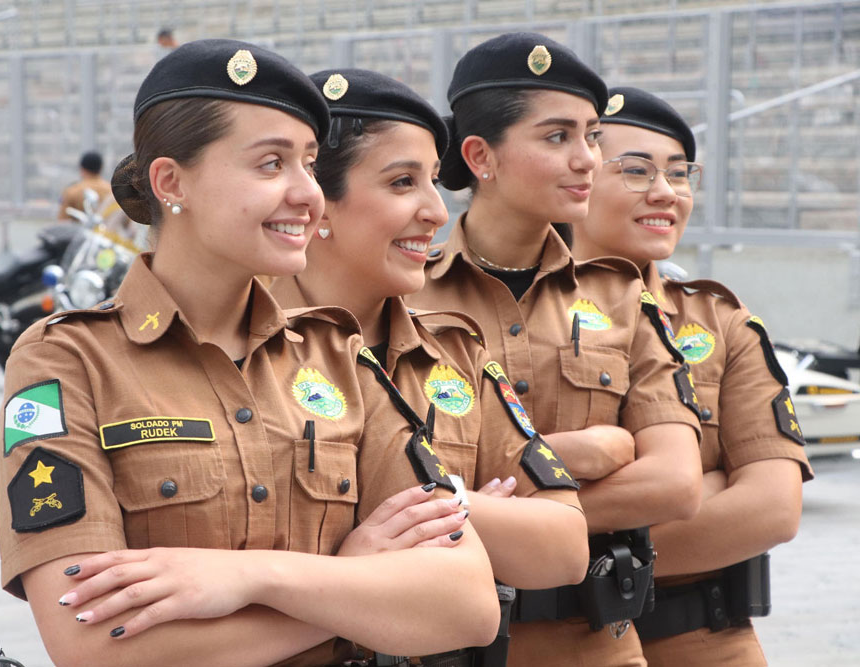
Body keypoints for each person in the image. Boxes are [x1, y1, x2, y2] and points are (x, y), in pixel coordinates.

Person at [0, 39, 500, 666]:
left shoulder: (336, 351)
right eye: (270, 165)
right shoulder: (69, 361)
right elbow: (96, 644)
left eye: (310, 165)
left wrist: (256, 578)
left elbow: (466, 602)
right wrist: (352, 588)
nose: (306, 193)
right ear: (171, 181)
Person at [270, 67, 618, 662]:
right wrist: (474, 510)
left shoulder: (453, 352)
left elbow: (563, 546)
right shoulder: (242, 355)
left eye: (434, 181)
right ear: (317, 203)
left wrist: (435, 495)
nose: (435, 211)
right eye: (403, 182)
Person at [406, 32, 704, 666]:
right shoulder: (403, 294)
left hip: (596, 643)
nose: (588, 159)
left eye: (592, 136)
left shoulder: (621, 297)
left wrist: (489, 502)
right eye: (557, 137)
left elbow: (676, 484)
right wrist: (572, 456)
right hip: (447, 644)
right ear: (481, 157)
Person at [570, 86, 814, 666]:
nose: (665, 193)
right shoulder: (509, 318)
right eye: (635, 171)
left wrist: (548, 542)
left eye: (679, 175)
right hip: (558, 643)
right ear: (576, 180)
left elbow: (771, 508)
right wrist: (696, 492)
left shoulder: (722, 322)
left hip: (705, 639)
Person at [57, 151, 113, 222]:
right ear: (101, 168)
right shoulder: (111, 191)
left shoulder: (72, 191)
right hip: (106, 232)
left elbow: (62, 221)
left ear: (82, 168)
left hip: (78, 232)